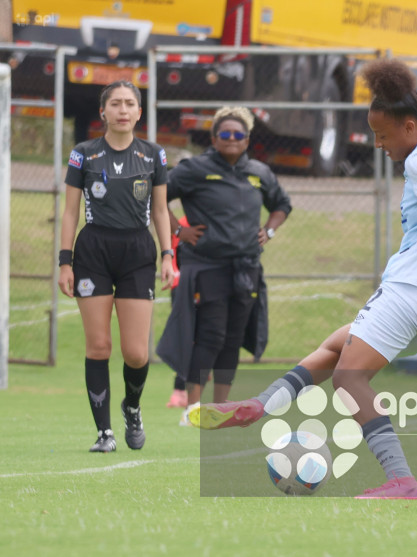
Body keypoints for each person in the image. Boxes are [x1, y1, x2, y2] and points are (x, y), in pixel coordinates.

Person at [186, 58, 417, 499]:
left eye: (382, 134)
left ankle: (402, 480)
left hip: (415, 289)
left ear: (409, 126)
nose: (377, 144)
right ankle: (258, 406)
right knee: (338, 344)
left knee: (350, 378)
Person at [57, 80, 175, 453]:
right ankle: (104, 432)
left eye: (130, 104)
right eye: (116, 104)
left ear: (139, 113)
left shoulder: (153, 155)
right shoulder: (84, 154)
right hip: (93, 250)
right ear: (103, 112)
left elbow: (160, 210)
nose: (123, 110)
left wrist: (168, 255)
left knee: (137, 353)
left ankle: (132, 406)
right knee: (99, 345)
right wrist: (64, 262)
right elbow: (70, 211)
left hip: (138, 252)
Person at [156, 107, 291, 422]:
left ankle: (220, 409)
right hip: (206, 266)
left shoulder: (259, 172)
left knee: (233, 336)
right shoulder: (195, 169)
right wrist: (179, 230)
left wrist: (268, 230)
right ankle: (192, 409)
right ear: (214, 138)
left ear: (247, 140)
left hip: (245, 268)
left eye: (238, 134)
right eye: (225, 134)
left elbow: (282, 204)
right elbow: (157, 197)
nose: (232, 139)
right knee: (210, 335)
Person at [165, 215, 190, 409]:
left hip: (197, 284)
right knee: (186, 338)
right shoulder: (181, 224)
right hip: (182, 286)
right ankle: (180, 391)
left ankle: (185, 390)